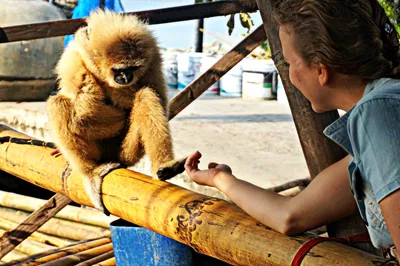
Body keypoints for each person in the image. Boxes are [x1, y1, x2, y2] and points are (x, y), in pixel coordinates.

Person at [184, 0, 400, 259]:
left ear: (321, 71)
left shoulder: (376, 114)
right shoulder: (380, 120)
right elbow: (291, 215)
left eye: (288, 63)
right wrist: (219, 179)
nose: (290, 75)